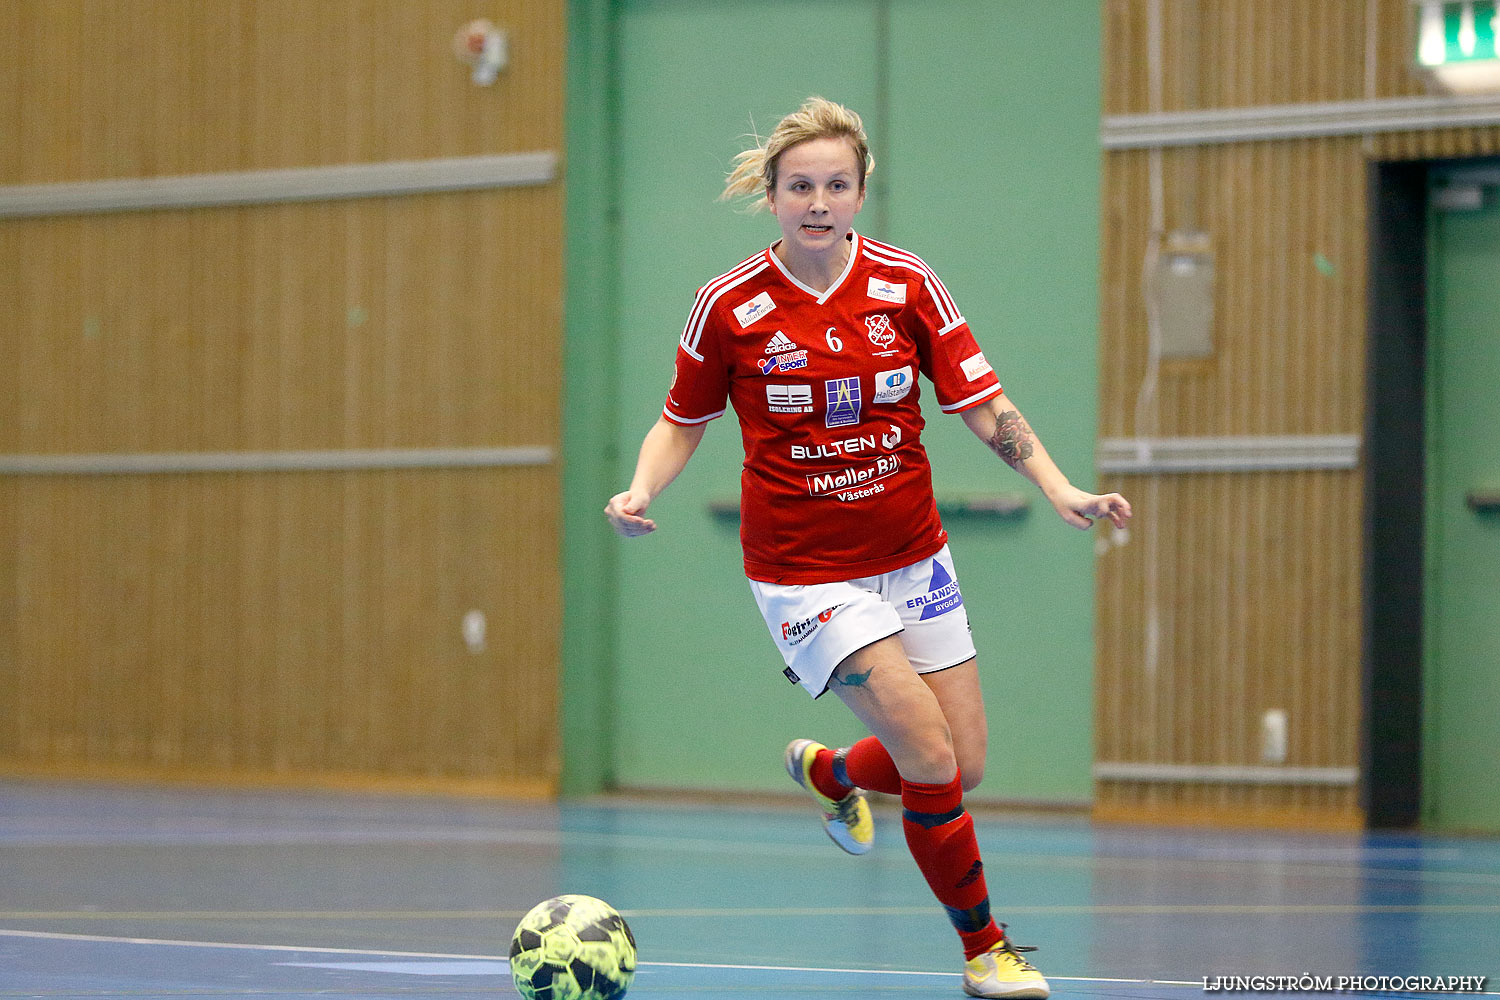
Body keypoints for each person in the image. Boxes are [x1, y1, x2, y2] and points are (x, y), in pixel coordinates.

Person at [604, 96, 1131, 998]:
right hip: (806, 575)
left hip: (913, 556)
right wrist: (641, 488)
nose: (818, 201)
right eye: (800, 185)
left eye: (836, 185)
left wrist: (1059, 487)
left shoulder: (906, 283)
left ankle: (833, 770)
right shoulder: (728, 306)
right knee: (928, 760)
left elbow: (981, 401)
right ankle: (985, 951)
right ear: (770, 195)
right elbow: (681, 419)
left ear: (860, 193)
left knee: (963, 762)